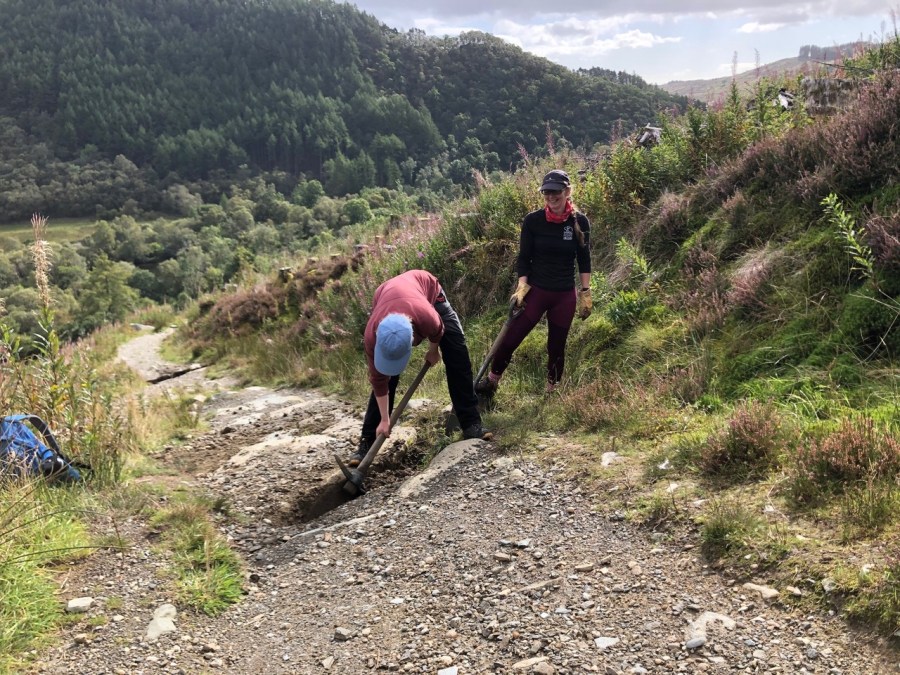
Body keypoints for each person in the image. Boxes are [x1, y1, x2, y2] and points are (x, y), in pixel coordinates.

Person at [348, 269, 491, 466]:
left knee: (457, 354)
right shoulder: (372, 335)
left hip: (428, 291)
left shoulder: (428, 318)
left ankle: (471, 423)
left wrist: (433, 351)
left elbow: (439, 329)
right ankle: (367, 443)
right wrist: (384, 419)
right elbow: (378, 380)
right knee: (388, 375)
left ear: (415, 334)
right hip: (385, 296)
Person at [476, 169, 592, 396]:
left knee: (557, 346)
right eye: (546, 192)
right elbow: (524, 258)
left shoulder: (580, 222)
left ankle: (551, 391)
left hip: (563, 295)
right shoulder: (533, 221)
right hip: (536, 291)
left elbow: (584, 258)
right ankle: (491, 382)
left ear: (567, 192)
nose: (551, 196)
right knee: (511, 338)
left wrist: (585, 291)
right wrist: (522, 287)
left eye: (555, 192)